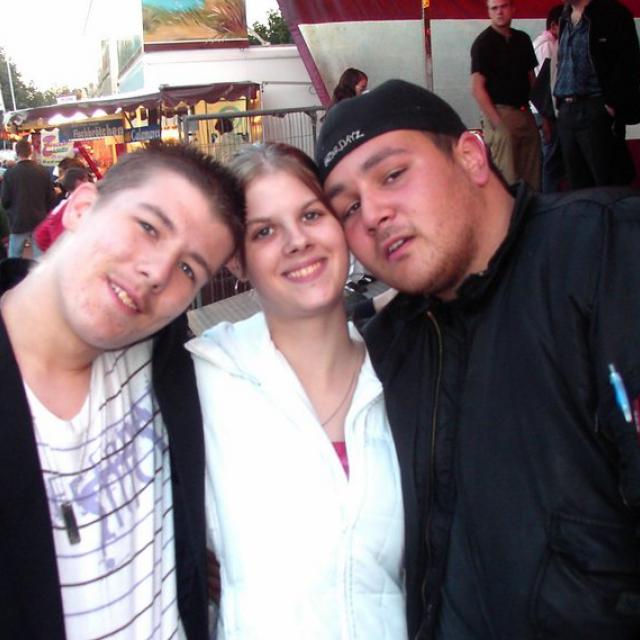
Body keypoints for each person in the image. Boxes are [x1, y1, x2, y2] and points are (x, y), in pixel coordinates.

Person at [316, 79, 640, 639]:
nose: (372, 215)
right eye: (348, 208)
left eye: (392, 175)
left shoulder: (603, 253)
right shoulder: (391, 346)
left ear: (471, 156)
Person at [0, 144, 244, 639]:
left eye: (188, 270)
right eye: (148, 227)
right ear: (81, 208)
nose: (157, 273)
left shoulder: (167, 363)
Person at [187, 143, 406, 639]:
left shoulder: (403, 374)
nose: (297, 241)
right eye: (264, 231)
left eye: (311, 215)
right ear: (236, 261)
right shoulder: (204, 378)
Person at [553, 0, 640, 188]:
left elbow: (629, 63)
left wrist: (612, 104)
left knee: (607, 185)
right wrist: (559, 105)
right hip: (567, 110)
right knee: (577, 187)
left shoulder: (613, 14)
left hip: (595, 108)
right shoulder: (564, 16)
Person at [471, 0, 541, 190]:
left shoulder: (522, 39)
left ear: (512, 8)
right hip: (500, 112)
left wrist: (543, 115)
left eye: (503, 7)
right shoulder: (483, 43)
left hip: (525, 112)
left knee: (532, 179)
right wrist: (497, 124)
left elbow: (532, 80)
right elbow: (477, 88)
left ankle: (531, 209)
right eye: (494, 8)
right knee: (507, 181)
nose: (499, 12)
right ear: (488, 12)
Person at [1, 139, 55, 258]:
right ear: (31, 151)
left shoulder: (10, 173)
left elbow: (5, 200)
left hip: (18, 220)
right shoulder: (43, 171)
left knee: (14, 257)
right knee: (39, 259)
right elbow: (51, 197)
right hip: (39, 219)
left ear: (17, 152)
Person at [531, 4, 564, 192]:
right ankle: (550, 201)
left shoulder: (546, 44)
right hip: (544, 112)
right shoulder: (547, 47)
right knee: (550, 163)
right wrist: (546, 119)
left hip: (544, 111)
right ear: (553, 26)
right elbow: (543, 87)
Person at [34, 166, 89, 253]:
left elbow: (41, 235)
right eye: (86, 180)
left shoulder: (61, 206)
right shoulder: (87, 204)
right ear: (79, 182)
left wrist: (55, 252)